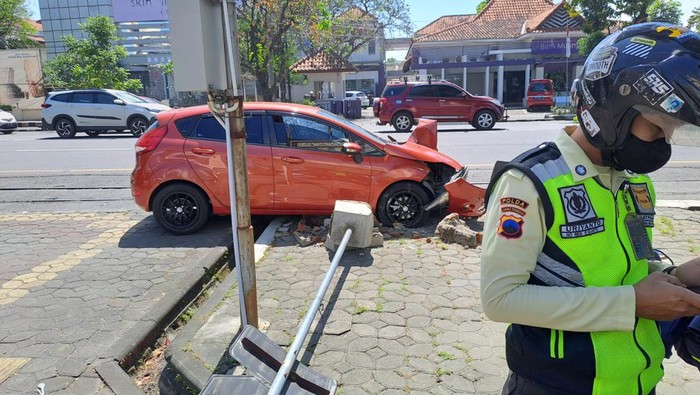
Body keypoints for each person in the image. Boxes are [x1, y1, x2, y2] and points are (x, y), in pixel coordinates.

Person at [480, 22, 700, 394]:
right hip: (557, 385)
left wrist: (678, 274)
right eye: (658, 126)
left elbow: (627, 270)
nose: (664, 142)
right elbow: (500, 299)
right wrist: (630, 303)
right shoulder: (531, 182)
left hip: (636, 383)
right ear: (613, 109)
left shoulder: (633, 182)